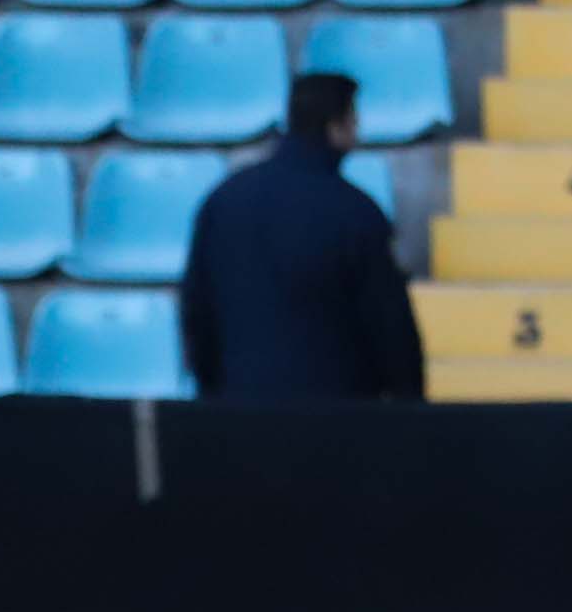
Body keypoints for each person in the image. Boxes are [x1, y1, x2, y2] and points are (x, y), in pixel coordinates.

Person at [180, 73, 427, 403]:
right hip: (336, 420)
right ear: (335, 127)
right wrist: (409, 406)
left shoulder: (223, 201)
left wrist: (212, 392)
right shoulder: (356, 212)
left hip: (239, 413)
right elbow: (390, 327)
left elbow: (197, 309)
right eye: (353, 122)